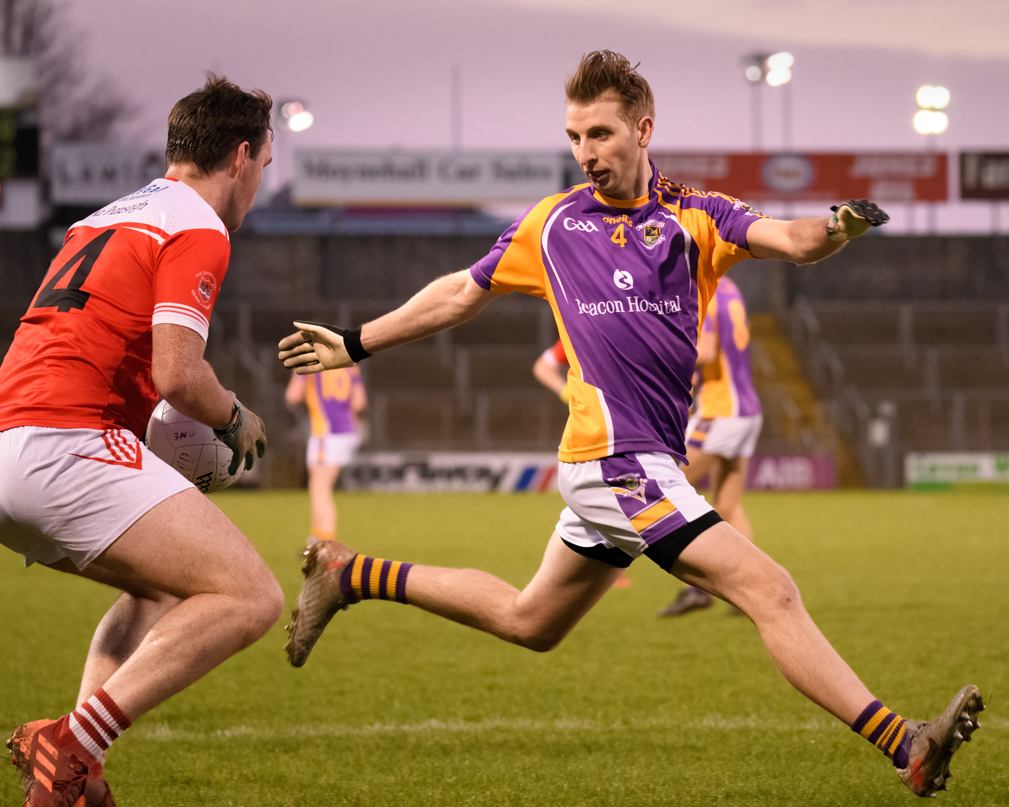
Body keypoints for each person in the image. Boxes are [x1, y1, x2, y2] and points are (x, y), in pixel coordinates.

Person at [277, 51, 982, 798]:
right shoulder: (552, 224)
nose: (585, 153)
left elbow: (795, 240)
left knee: (530, 620)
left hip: (645, 466)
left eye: (601, 134)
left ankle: (349, 574)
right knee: (768, 588)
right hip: (612, 460)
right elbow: (460, 291)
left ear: (643, 129)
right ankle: (903, 743)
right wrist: (355, 342)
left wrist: (838, 225)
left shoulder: (697, 216)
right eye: (575, 136)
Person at [0, 75, 282, 807]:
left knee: (161, 589)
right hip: (67, 443)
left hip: (12, 444)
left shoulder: (101, 219)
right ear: (242, 156)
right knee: (251, 596)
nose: (258, 184)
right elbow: (179, 375)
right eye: (265, 167)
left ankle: (76, 776)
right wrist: (233, 419)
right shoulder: (197, 224)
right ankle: (69, 742)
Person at [659, 277, 761, 617]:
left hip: (721, 411)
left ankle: (697, 586)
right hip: (745, 410)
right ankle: (755, 589)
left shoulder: (701, 289)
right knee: (728, 505)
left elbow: (706, 350)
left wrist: (657, 348)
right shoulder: (729, 285)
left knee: (667, 488)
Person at [533, 338, 631, 588]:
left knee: (611, 499)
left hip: (630, 428)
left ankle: (598, 569)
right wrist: (566, 391)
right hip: (596, 431)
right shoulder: (582, 323)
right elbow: (543, 366)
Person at [285, 367, 367, 545]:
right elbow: (359, 402)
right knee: (321, 486)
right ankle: (317, 537)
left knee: (320, 488)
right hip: (348, 430)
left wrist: (297, 372)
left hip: (327, 431)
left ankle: (325, 542)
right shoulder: (349, 362)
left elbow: (293, 395)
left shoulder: (310, 361)